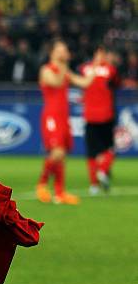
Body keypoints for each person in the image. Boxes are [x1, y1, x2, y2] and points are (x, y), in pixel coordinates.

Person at [36, 39, 94, 204]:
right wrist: (63, 66)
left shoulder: (64, 71)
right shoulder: (46, 70)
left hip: (63, 117)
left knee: (62, 156)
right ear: (53, 53)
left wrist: (96, 66)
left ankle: (60, 193)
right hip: (51, 116)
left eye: (65, 50)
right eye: (61, 50)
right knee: (57, 152)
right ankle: (42, 184)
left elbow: (85, 82)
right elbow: (56, 82)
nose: (64, 52)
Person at [80, 45, 120, 194]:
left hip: (89, 116)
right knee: (110, 149)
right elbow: (117, 83)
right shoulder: (110, 69)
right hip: (106, 115)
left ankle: (94, 185)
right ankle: (103, 171)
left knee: (91, 153)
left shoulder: (84, 69)